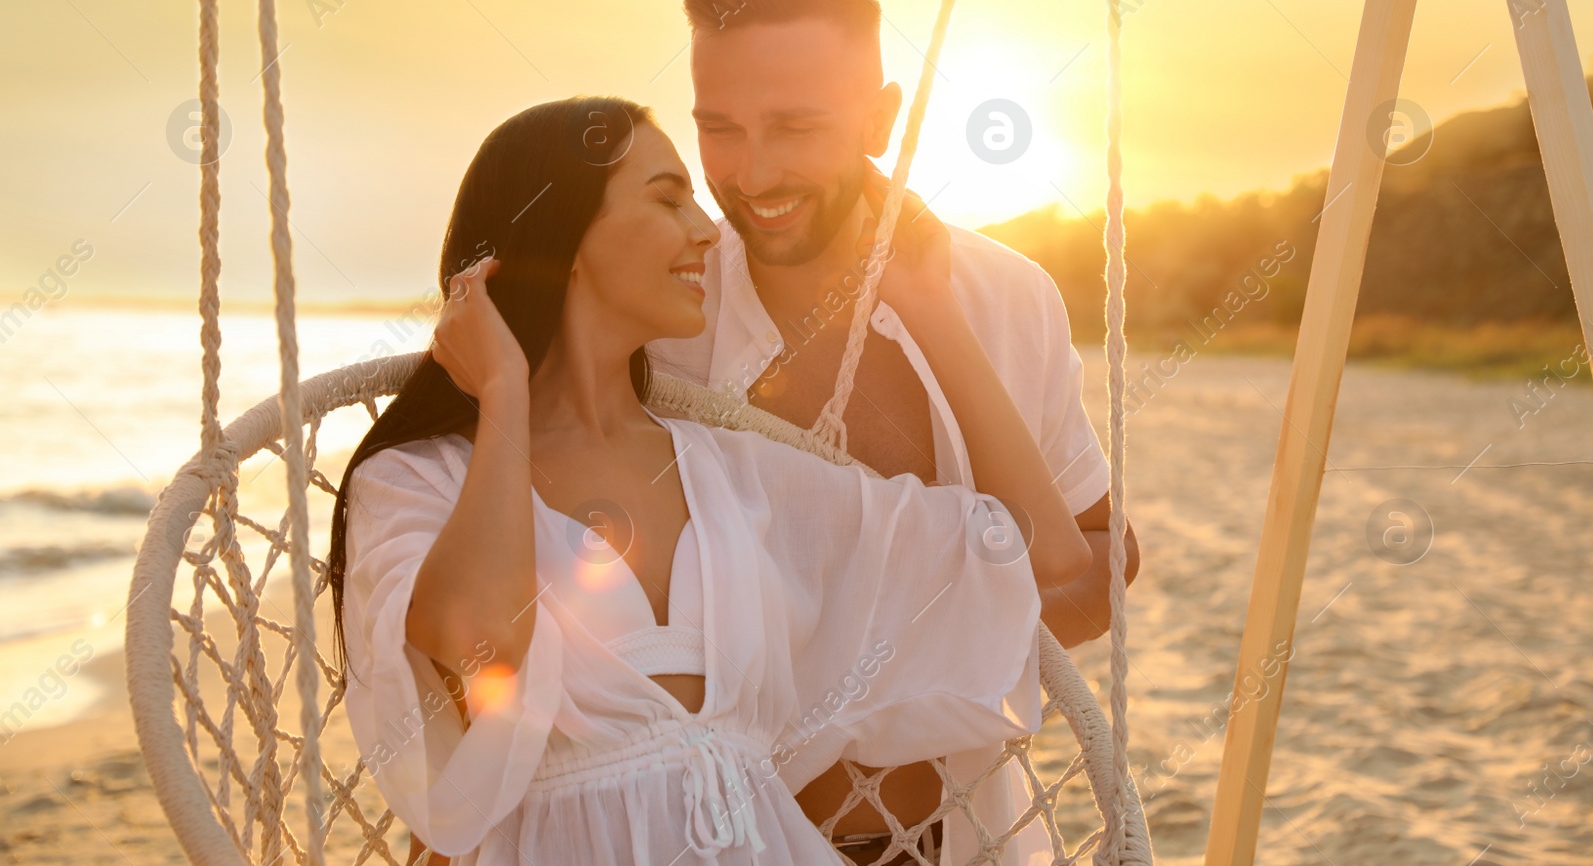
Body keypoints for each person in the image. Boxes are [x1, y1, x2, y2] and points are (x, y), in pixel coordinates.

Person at [330, 96, 1093, 865]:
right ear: (560, 233)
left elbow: (1045, 551)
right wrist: (503, 396)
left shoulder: (736, 475)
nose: (705, 227)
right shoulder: (415, 480)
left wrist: (931, 303)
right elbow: (481, 644)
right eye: (668, 198)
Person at [648, 0, 1143, 863]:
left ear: (881, 118)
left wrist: (921, 622)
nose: (750, 174)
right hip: (715, 839)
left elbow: (1098, 569)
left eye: (794, 126)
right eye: (719, 128)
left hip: (958, 839)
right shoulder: (659, 319)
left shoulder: (1005, 296)